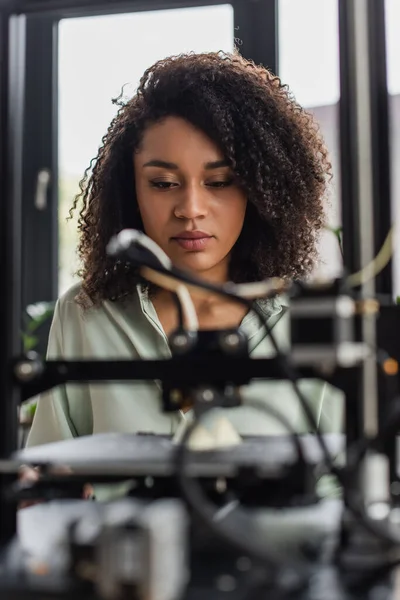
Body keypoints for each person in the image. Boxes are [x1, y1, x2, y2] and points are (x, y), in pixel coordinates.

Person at [26, 51, 342, 460]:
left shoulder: (308, 322)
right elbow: (50, 478)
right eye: (163, 183)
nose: (190, 208)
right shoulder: (85, 313)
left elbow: (346, 491)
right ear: (130, 190)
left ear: (260, 191)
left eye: (220, 181)